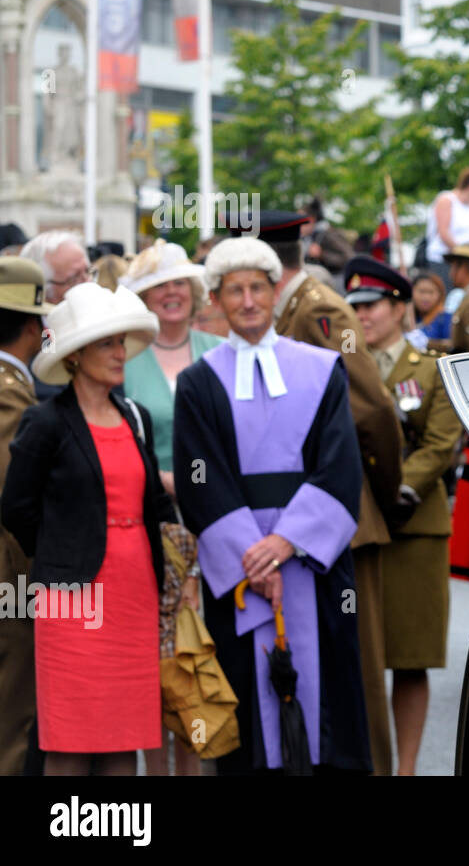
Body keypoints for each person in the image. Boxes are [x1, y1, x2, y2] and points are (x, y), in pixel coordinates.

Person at [171, 236, 371, 774]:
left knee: (328, 693)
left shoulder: (324, 368)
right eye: (234, 291)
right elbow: (200, 477)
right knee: (248, 699)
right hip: (240, 571)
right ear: (215, 299)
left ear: (275, 289)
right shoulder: (196, 382)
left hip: (312, 560)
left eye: (258, 287)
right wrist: (252, 559)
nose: (249, 300)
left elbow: (340, 466)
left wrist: (286, 543)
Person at [256, 209, 403, 776]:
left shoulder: (318, 309)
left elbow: (371, 406)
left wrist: (383, 498)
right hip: (301, 513)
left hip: (341, 511)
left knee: (357, 674)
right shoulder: (293, 306)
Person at [2, 282, 167, 775]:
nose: (120, 354)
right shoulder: (45, 423)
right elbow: (15, 509)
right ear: (74, 355)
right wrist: (60, 558)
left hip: (134, 594)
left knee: (124, 737)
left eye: (121, 342)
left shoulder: (135, 417)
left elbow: (152, 503)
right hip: (71, 599)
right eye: (106, 344)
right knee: (70, 740)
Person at [345, 256, 461, 776]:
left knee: (410, 660)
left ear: (399, 307)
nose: (362, 316)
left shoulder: (431, 367)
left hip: (414, 526)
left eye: (371, 306)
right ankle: (370, 763)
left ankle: (407, 769)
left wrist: (397, 490)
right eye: (355, 308)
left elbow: (440, 446)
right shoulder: (341, 366)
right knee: (361, 659)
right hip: (354, 526)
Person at [120, 240, 223, 776]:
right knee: (158, 661)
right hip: (150, 525)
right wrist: (165, 480)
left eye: (181, 282)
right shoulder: (125, 358)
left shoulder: (218, 349)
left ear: (196, 291)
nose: (172, 293)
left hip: (217, 525)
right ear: (142, 295)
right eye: (160, 284)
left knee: (201, 659)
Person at [0, 258, 51, 775]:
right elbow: (13, 499)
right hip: (8, 575)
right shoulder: (9, 392)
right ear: (33, 327)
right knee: (13, 718)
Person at [20, 231, 91, 402]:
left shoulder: (103, 321)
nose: (87, 283)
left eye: (88, 272)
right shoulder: (40, 335)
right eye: (74, 278)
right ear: (43, 290)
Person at [420, 167, 469, 283]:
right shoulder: (446, 200)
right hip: (443, 262)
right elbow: (444, 233)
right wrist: (466, 254)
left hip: (465, 263)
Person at [404, 271, 452, 352]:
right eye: (422, 291)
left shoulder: (445, 318)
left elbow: (452, 345)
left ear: (439, 294)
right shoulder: (407, 316)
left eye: (431, 292)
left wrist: (427, 343)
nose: (426, 297)